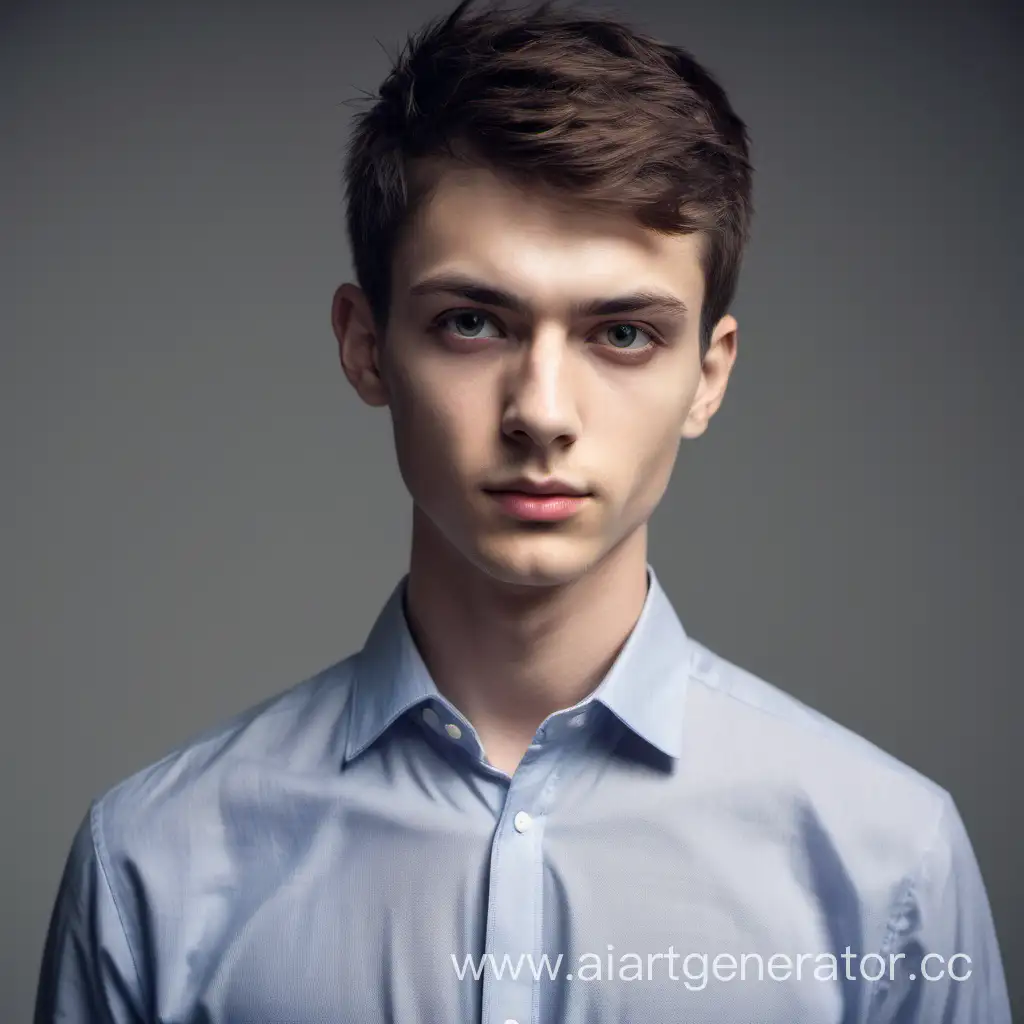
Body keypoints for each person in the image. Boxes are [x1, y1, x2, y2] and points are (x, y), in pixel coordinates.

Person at [34, 1, 1011, 1021]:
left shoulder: (889, 866)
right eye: (471, 321)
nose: (541, 413)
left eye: (623, 333)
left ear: (708, 376)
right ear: (366, 344)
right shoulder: (153, 865)